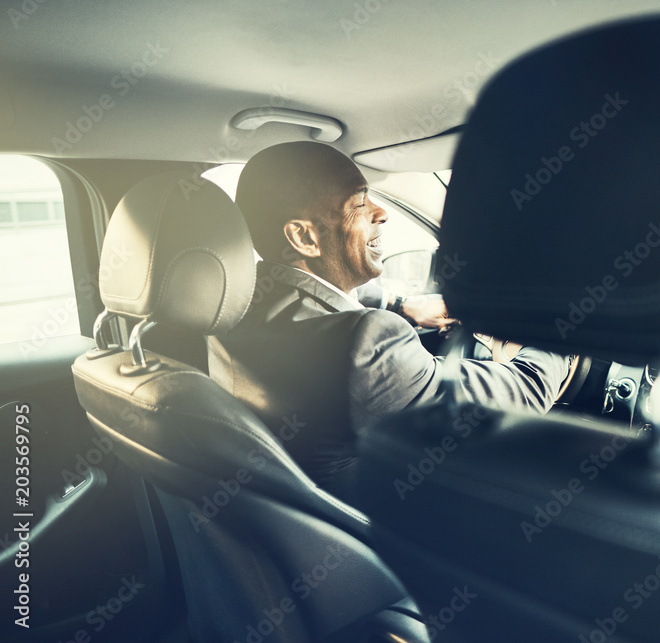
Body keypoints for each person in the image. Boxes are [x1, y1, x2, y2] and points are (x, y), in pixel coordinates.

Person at [208, 141, 570, 503]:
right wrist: (555, 337)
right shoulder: (364, 344)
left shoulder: (232, 305)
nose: (382, 213)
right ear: (304, 236)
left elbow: (319, 299)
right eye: (361, 204)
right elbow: (523, 394)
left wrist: (401, 304)